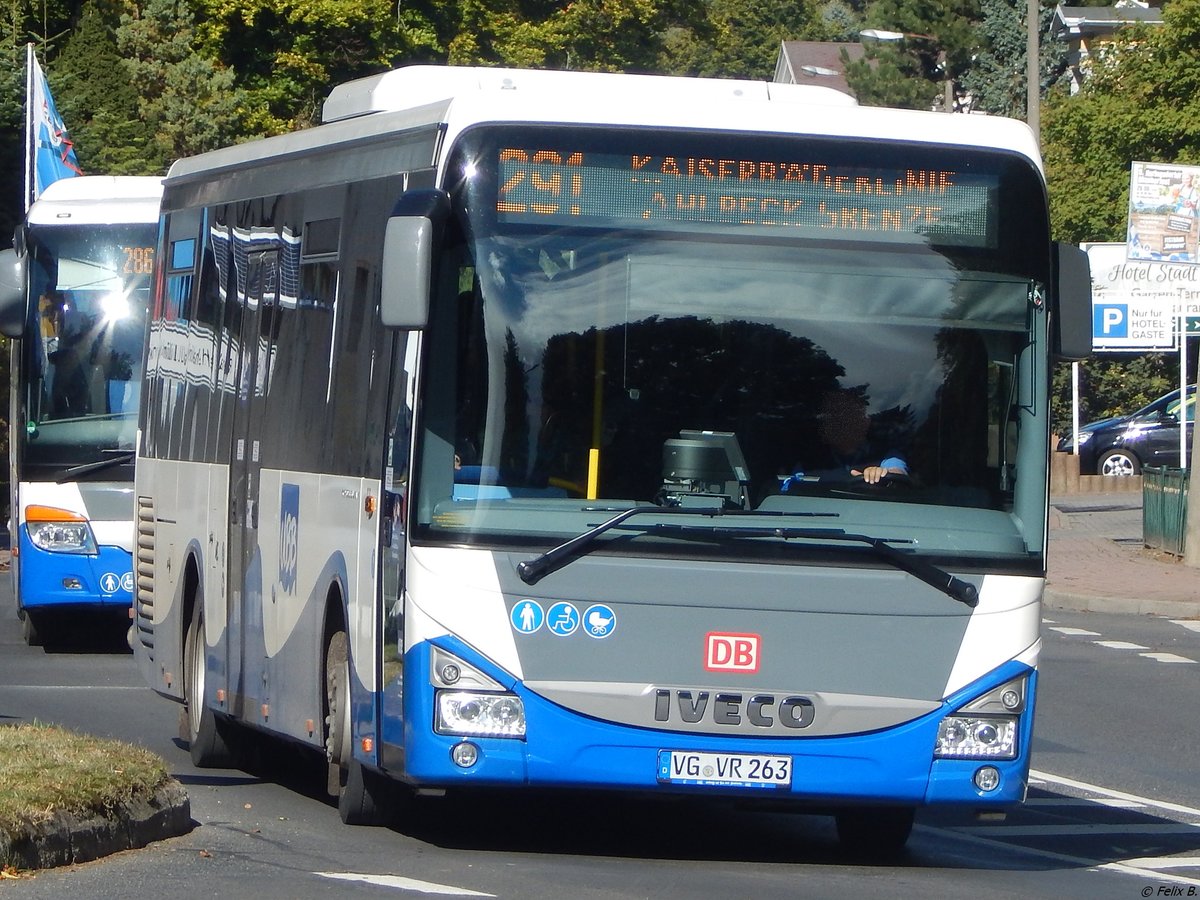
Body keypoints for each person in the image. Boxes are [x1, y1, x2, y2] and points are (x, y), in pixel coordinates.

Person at [785, 388, 908, 487]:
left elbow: (898, 475)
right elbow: (789, 487)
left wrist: (882, 475)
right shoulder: (810, 461)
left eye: (849, 417)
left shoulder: (887, 455)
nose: (841, 424)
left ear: (865, 423)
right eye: (834, 418)